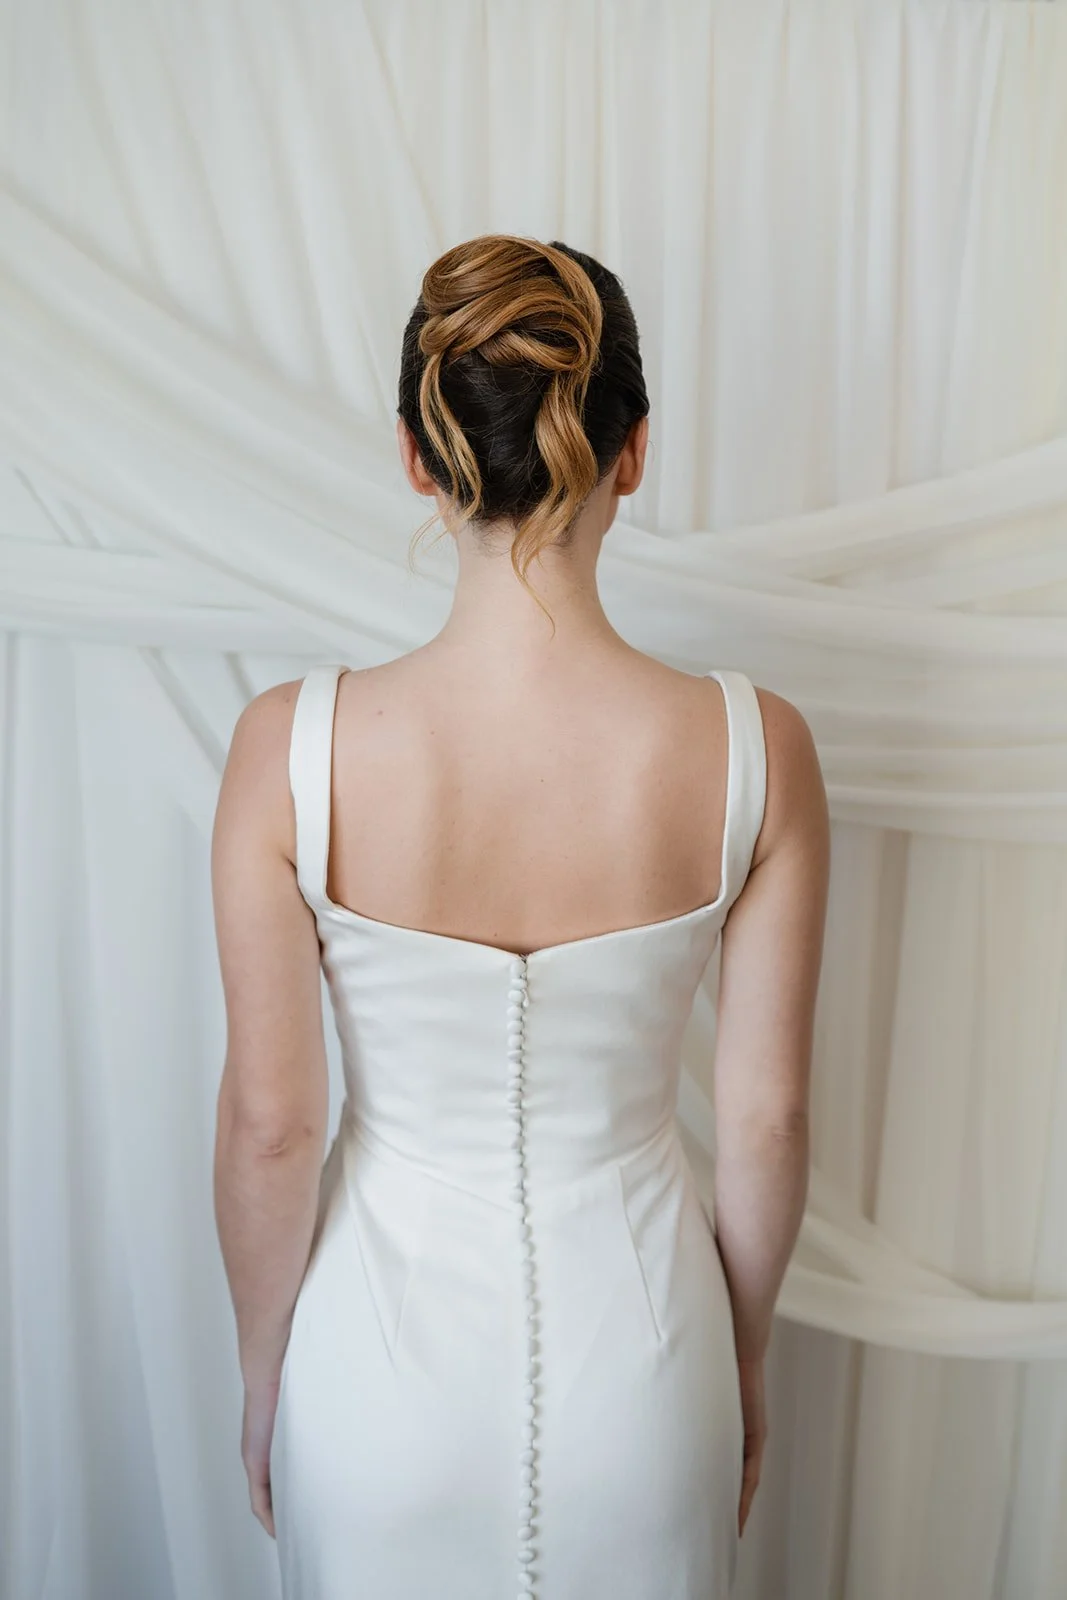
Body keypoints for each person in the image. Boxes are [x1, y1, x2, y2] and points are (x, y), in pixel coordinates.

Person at [211, 234, 829, 1599]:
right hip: (649, 1373)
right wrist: (737, 1363)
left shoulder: (287, 749)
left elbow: (271, 1126)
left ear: (418, 458)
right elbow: (768, 1123)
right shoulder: (755, 748)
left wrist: (268, 1372)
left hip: (370, 1384)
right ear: (634, 450)